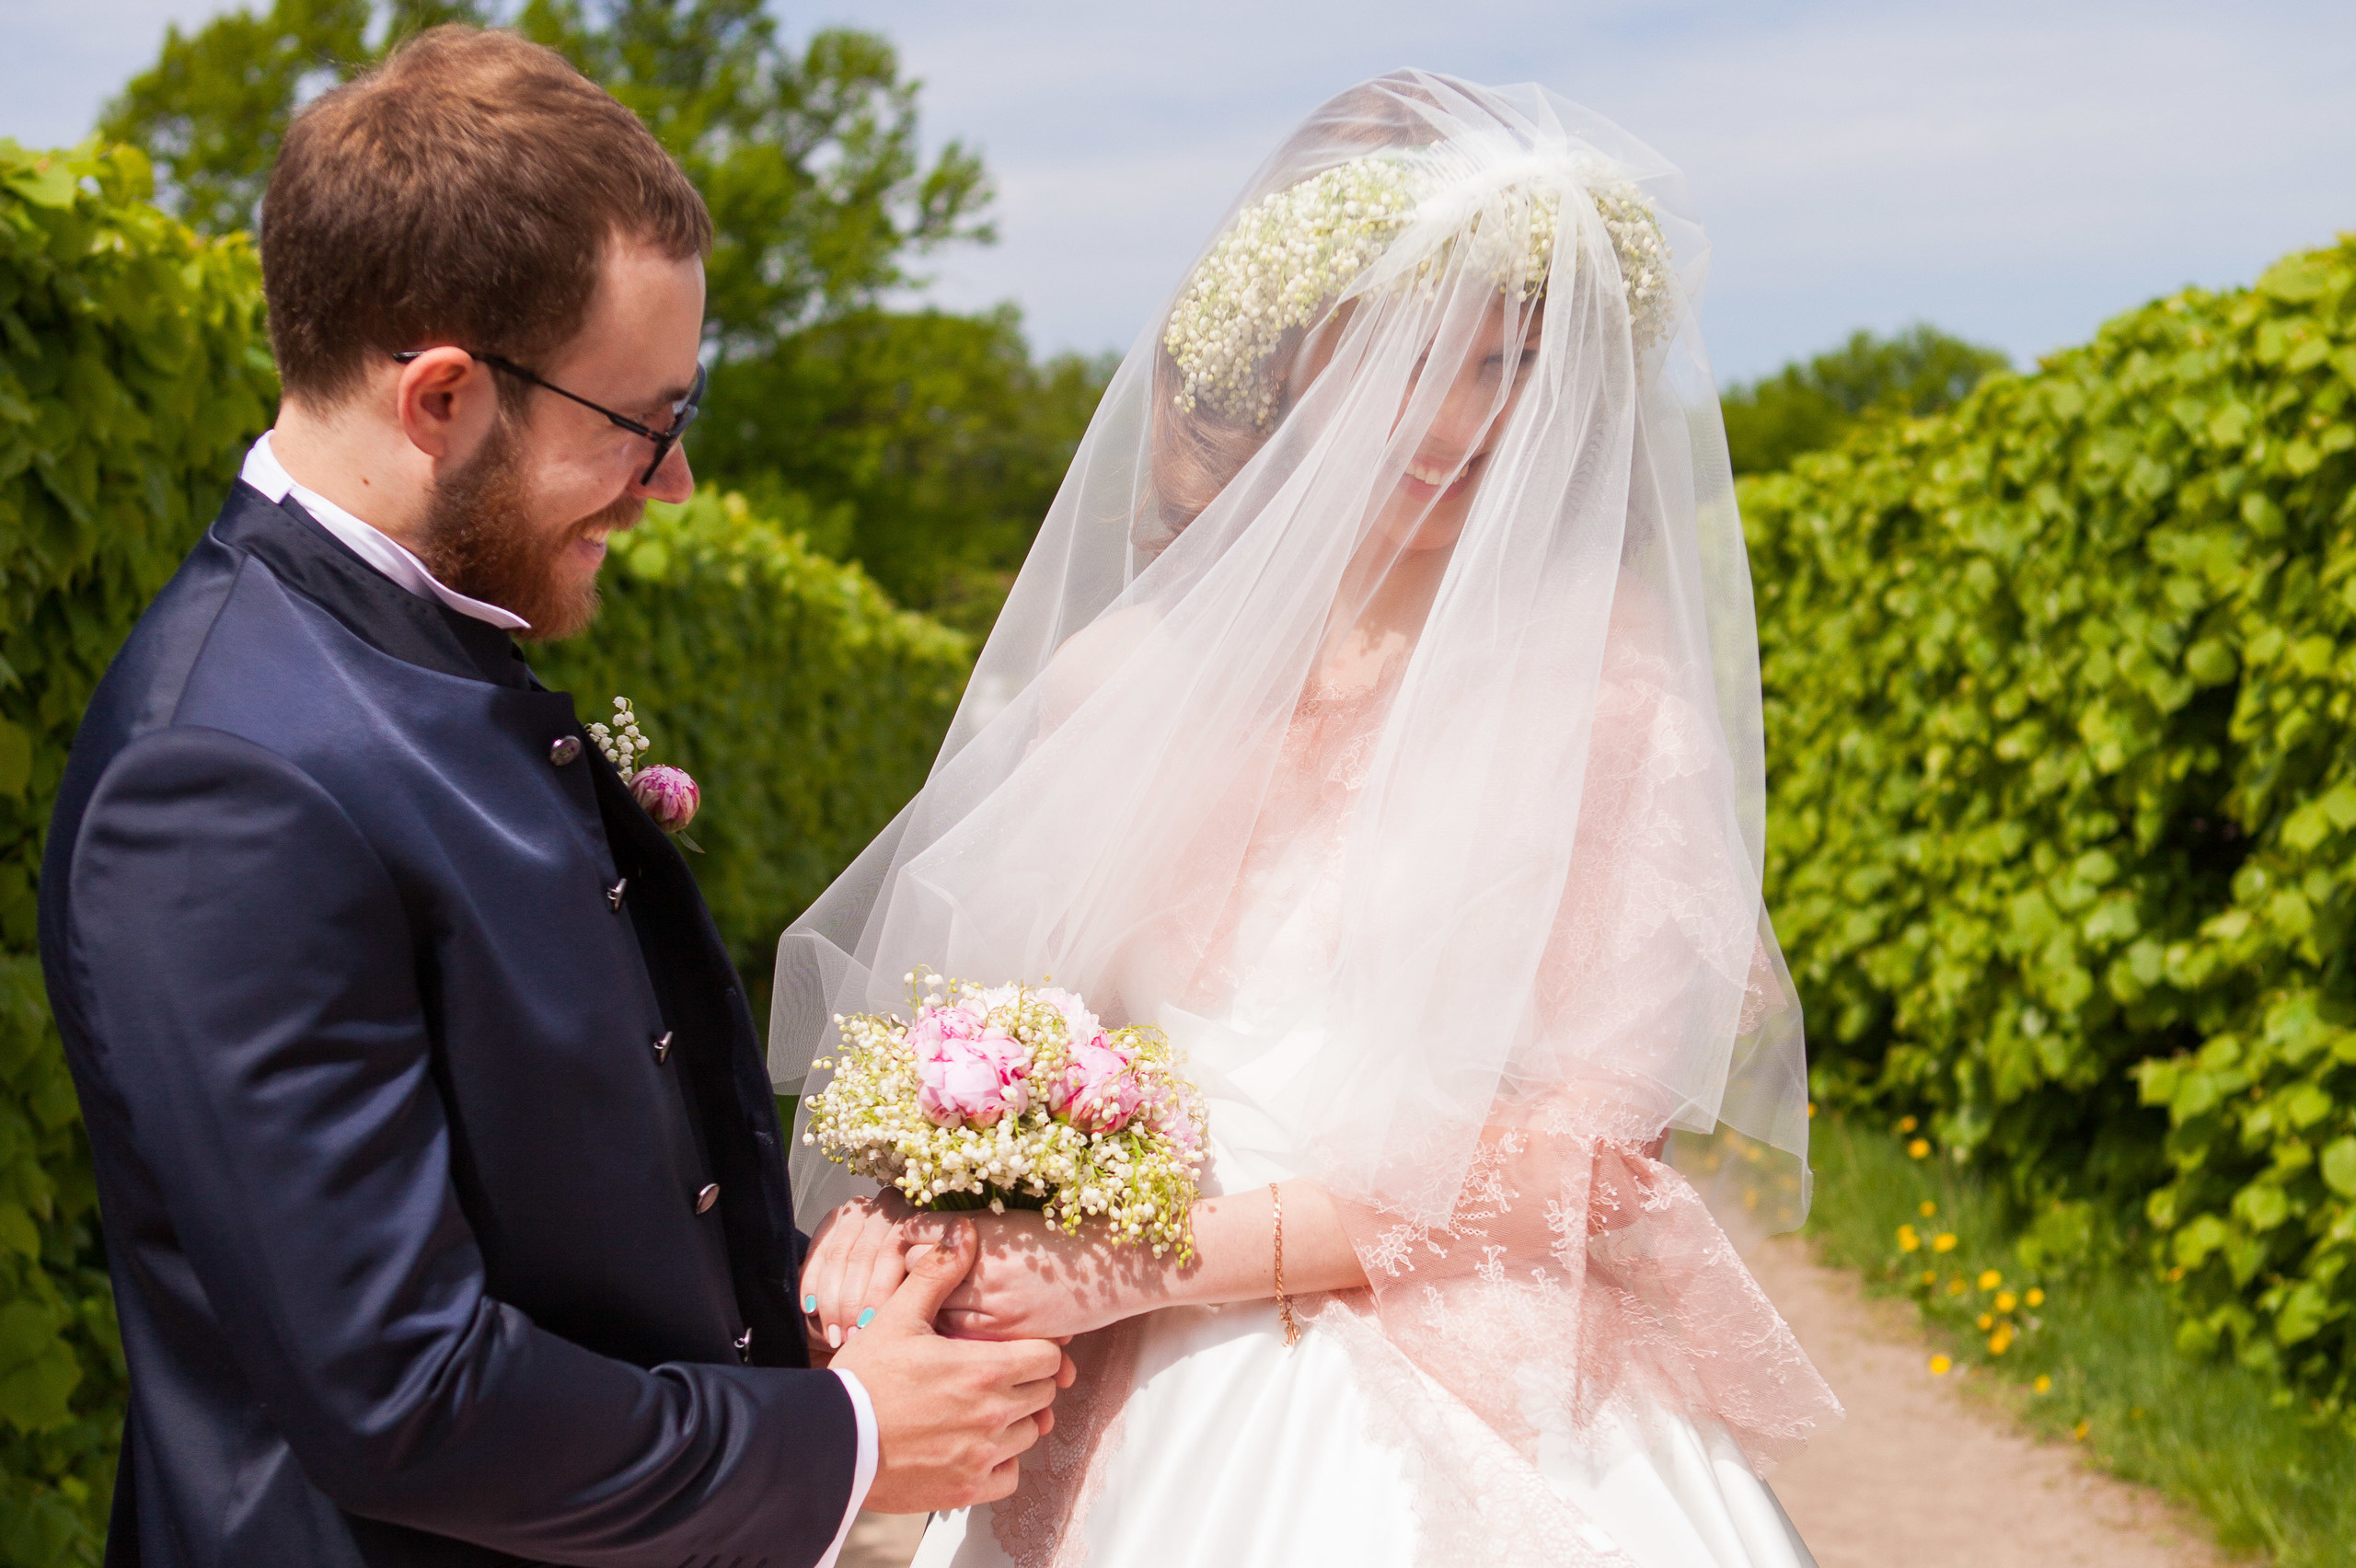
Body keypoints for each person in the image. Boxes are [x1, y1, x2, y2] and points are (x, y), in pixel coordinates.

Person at [775, 73, 1844, 1567]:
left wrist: (1138, 1264)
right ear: (1295, 360)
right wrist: (922, 1207)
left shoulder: (1606, 689)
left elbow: (1588, 1159)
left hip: (1458, 1370)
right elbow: (1027, 1048)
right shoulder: (1117, 681)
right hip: (1135, 1399)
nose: (1466, 419)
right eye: (1415, 357)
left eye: (1514, 364)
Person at [39, 27, 1071, 1568]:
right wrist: (853, 1439)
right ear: (444, 397)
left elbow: (575, 1190)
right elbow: (404, 1395)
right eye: (642, 420)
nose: (674, 484)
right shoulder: (222, 778)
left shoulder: (404, 646)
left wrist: (813, 1296)